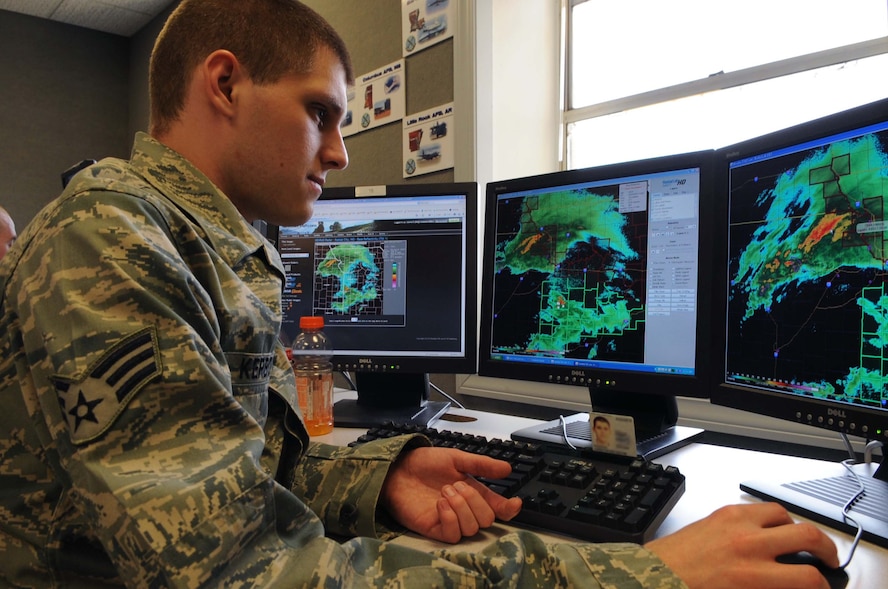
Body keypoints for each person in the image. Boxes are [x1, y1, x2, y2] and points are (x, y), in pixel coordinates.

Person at [0, 1, 840, 587]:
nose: (340, 153)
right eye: (320, 113)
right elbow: (241, 571)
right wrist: (637, 574)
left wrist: (381, 476)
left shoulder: (201, 241)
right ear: (224, 84)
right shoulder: (113, 243)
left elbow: (244, 472)